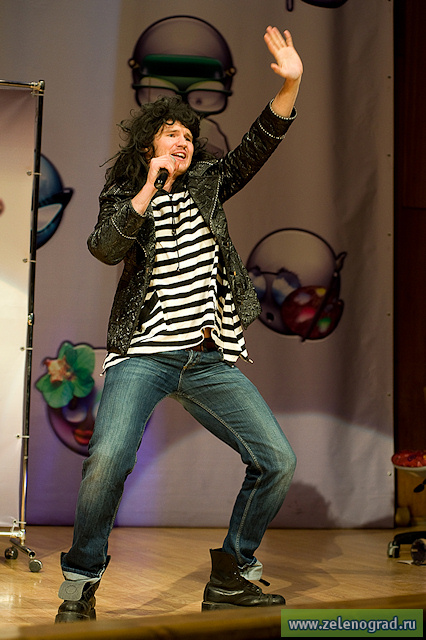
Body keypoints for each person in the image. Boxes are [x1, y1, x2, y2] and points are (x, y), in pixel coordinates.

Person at [56, 26, 303, 623]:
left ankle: (232, 575)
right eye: (172, 133)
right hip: (144, 354)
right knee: (108, 461)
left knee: (277, 460)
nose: (184, 141)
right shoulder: (126, 193)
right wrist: (148, 187)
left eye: (189, 136)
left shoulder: (209, 184)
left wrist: (291, 84)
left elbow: (258, 143)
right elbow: (104, 248)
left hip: (207, 356)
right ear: (150, 144)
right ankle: (80, 584)